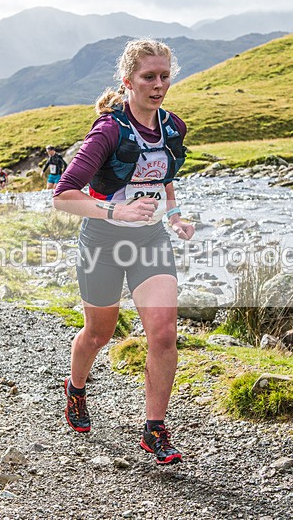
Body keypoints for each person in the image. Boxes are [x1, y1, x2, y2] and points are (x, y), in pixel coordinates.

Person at [53, 39, 195, 465]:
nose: (158, 85)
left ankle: (154, 429)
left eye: (164, 76)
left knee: (164, 332)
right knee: (99, 333)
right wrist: (119, 210)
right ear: (128, 80)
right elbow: (63, 196)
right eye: (148, 77)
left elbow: (165, 177)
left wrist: (175, 216)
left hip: (151, 241)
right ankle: (76, 389)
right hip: (102, 239)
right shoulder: (108, 131)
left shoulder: (173, 127)